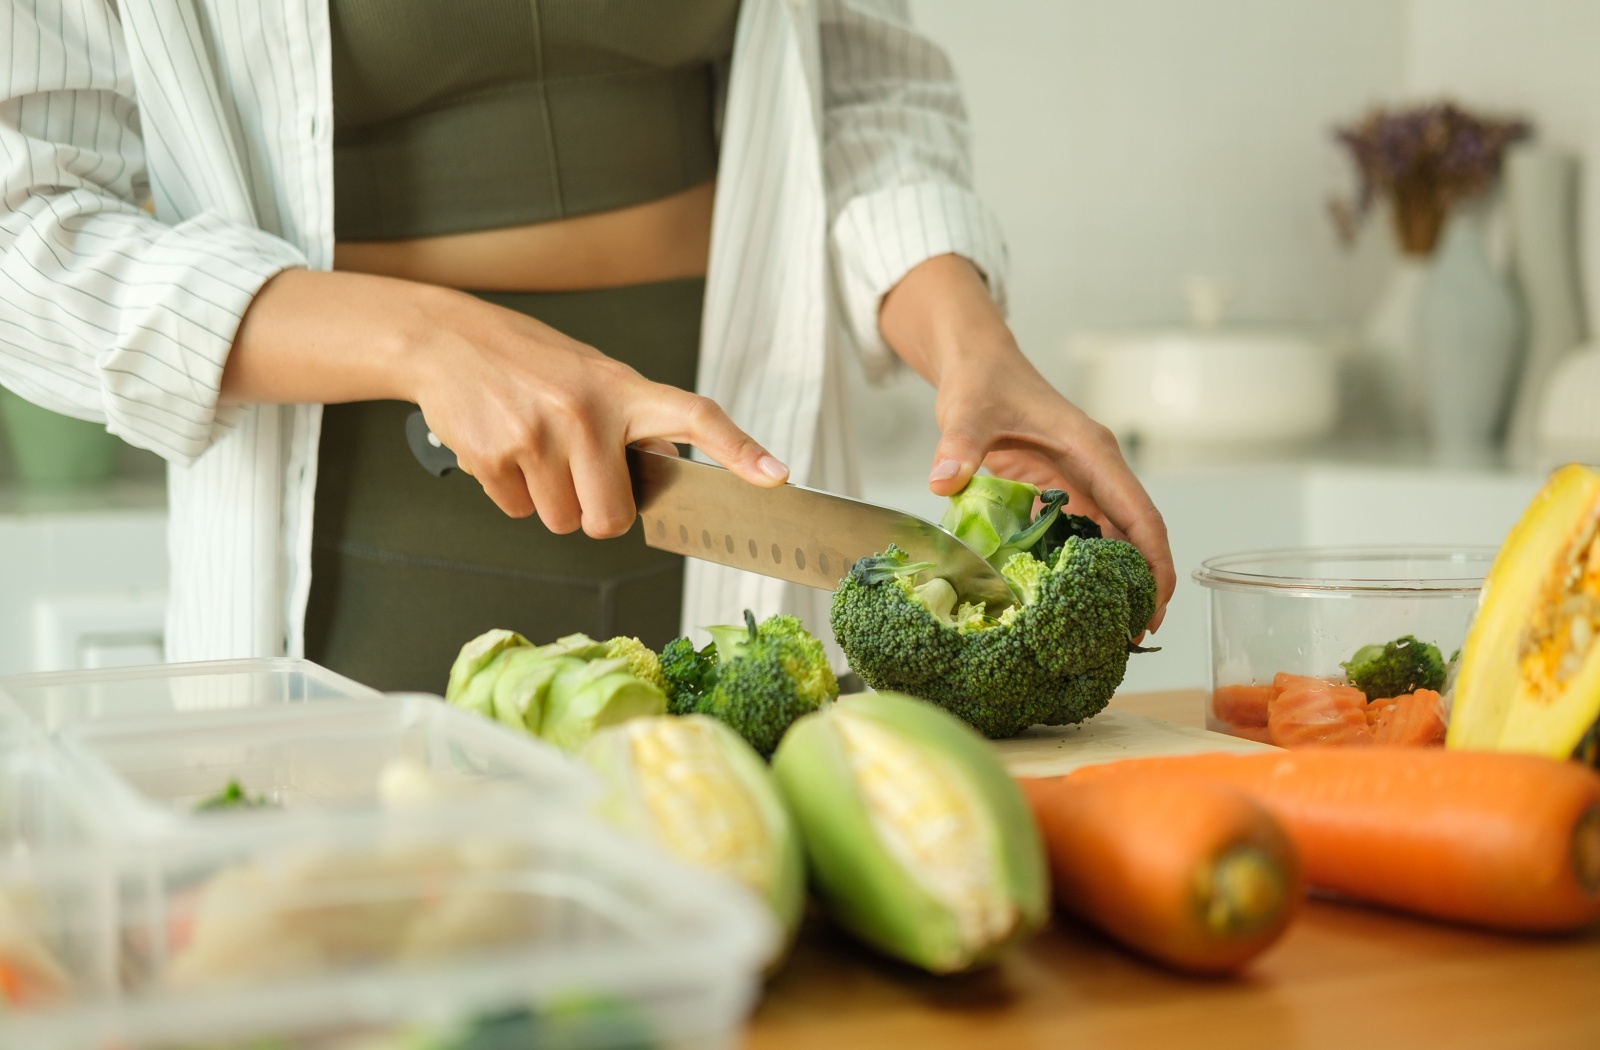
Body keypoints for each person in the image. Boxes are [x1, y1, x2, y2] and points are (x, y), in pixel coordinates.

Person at [0, 0, 1172, 692]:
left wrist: (968, 340)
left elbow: (856, 86)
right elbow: (23, 223)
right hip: (356, 544)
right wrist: (431, 340)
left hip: (733, 490)